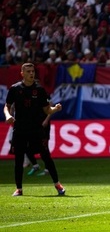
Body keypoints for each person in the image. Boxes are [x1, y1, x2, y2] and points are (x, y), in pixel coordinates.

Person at [4, 63, 65, 196]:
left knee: (46, 157)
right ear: (22, 73)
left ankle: (58, 185)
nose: (31, 73)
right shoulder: (15, 89)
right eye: (28, 71)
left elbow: (46, 109)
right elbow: (7, 106)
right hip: (20, 129)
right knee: (19, 159)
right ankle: (19, 189)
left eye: (32, 71)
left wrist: (55, 109)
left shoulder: (40, 90)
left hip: (36, 129)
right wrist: (8, 115)